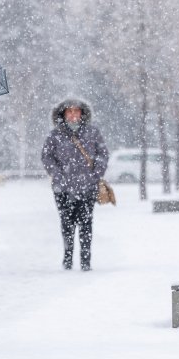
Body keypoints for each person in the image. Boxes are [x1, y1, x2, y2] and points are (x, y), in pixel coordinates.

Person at [41, 99, 109, 271]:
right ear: (62, 115)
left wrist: (95, 175)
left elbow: (102, 154)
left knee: (86, 224)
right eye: (69, 112)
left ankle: (86, 260)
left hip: (87, 187)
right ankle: (68, 257)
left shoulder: (93, 133)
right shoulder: (55, 135)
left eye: (76, 111)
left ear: (82, 113)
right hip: (62, 188)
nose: (72, 115)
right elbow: (47, 157)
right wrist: (57, 175)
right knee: (66, 223)